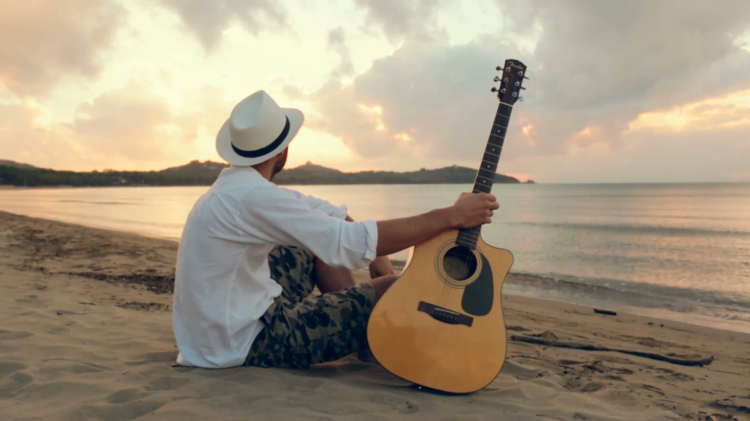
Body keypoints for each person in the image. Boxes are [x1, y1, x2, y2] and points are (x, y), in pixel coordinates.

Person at [172, 90, 499, 369]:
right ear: (283, 151)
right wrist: (451, 216)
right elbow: (347, 243)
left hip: (217, 334)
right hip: (243, 345)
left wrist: (377, 258)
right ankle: (360, 330)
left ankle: (349, 321)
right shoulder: (253, 197)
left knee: (309, 243)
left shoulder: (235, 188)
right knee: (390, 290)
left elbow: (327, 215)